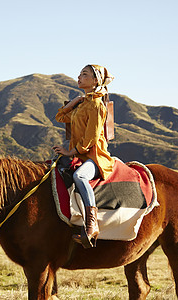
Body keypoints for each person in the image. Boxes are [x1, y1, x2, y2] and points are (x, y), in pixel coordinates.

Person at [52, 64, 115, 248]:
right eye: (79, 74)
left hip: (95, 157)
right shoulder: (84, 104)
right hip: (81, 154)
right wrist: (73, 103)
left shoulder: (96, 105)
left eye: (84, 75)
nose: (79, 77)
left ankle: (91, 224)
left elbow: (92, 137)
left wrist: (71, 152)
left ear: (96, 81)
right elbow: (60, 117)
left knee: (80, 176)